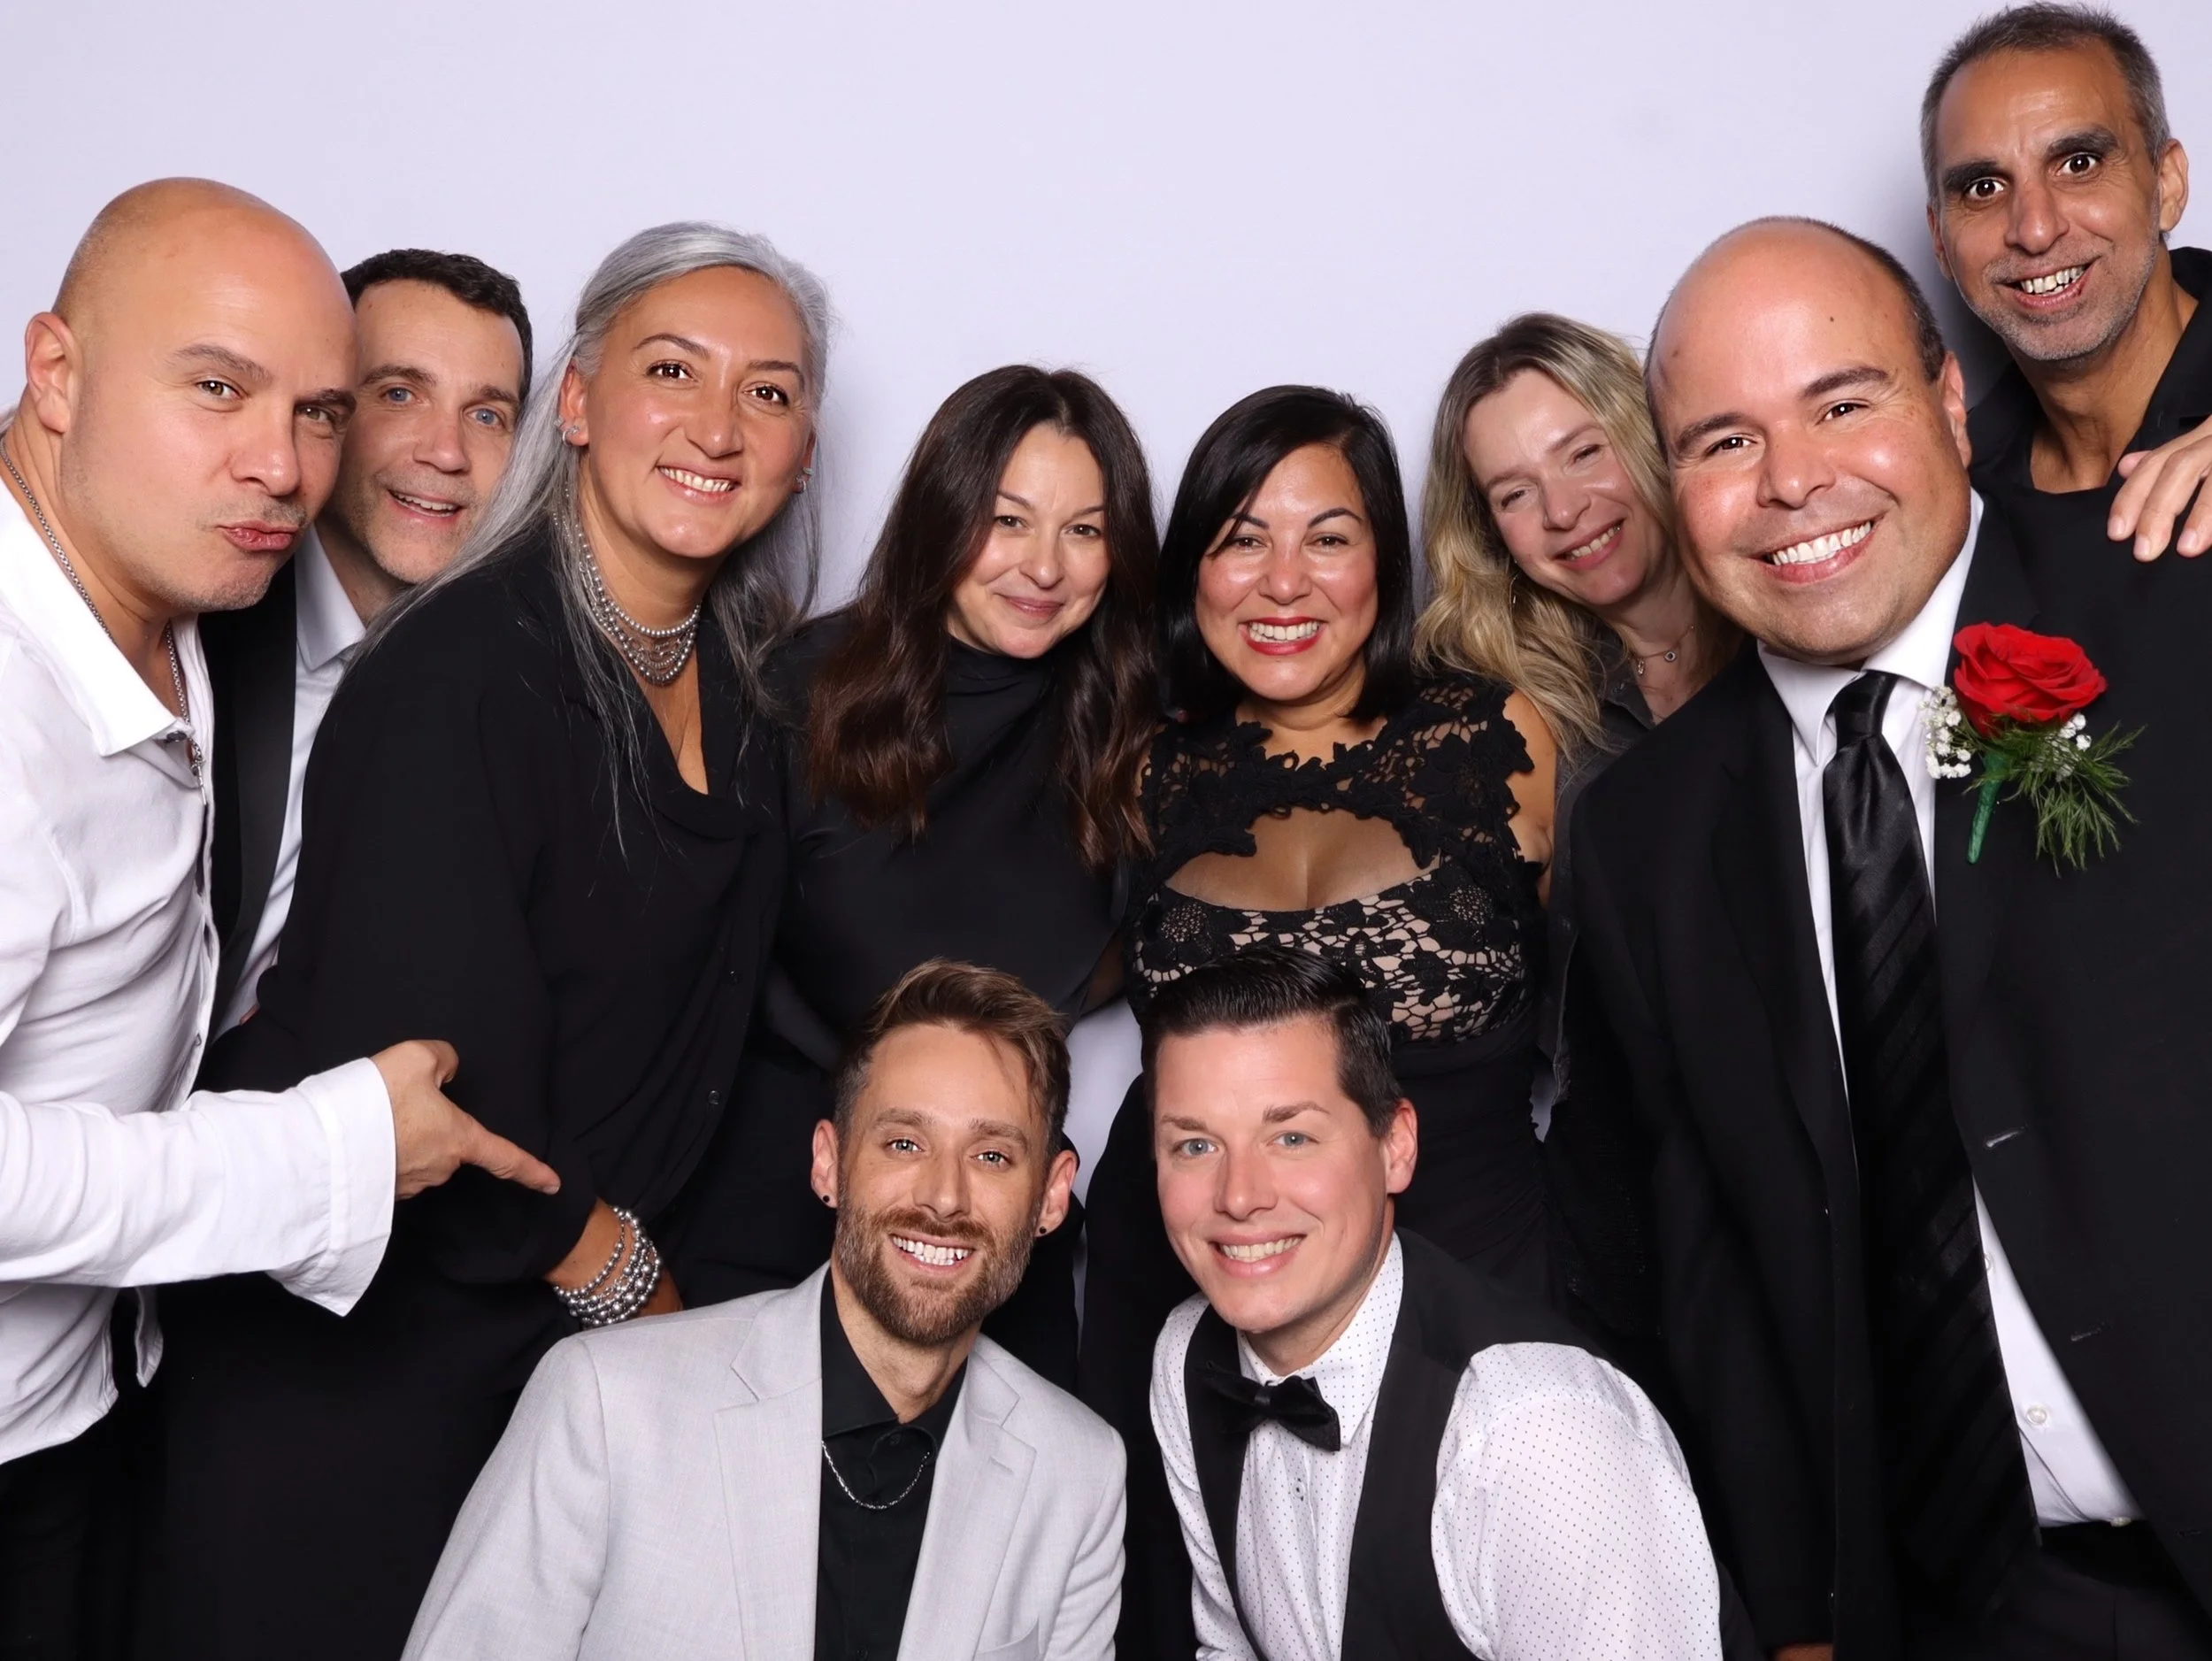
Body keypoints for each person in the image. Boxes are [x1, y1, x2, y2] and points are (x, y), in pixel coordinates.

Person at [148, 221, 829, 1661]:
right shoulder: (457, 675)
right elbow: (431, 1081)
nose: (719, 424)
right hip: (359, 1377)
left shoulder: (749, 688)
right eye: (673, 370)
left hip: (556, 1373)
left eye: (768, 391)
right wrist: (629, 1280)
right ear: (578, 403)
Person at [1551, 215, 2212, 1658]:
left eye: (1841, 403)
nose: (1793, 481)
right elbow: (1692, 1260)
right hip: (1959, 1611)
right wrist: (1795, 1600)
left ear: (1952, 404)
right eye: (1723, 441)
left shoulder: (2175, 596)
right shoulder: (1644, 838)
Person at [0, 178, 555, 1660]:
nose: (283, 464)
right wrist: (331, 1150)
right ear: (56, 374)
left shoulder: (169, 599)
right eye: (216, 389)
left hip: (94, 1401)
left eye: (313, 411)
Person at [1079, 384, 1557, 1657]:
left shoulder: (1500, 740)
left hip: (1476, 1254)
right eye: (1242, 536)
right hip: (1190, 1268)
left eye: (1328, 536)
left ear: (1386, 563)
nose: (1283, 579)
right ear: (1196, 570)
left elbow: (1649, 1025)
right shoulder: (1144, 772)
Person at [403, 959, 1125, 1661]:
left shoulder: (1077, 1475)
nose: (944, 1197)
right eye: (904, 1142)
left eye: (993, 1155)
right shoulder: (605, 1403)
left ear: (1054, 1195)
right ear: (828, 1163)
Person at [666, 364, 1156, 1386]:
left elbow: (1120, 953)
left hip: (992, 1237)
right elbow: (696, 957)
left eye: (1084, 529)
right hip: (772, 1200)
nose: (1045, 566)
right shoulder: (798, 693)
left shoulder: (1127, 736)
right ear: (943, 515)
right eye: (1008, 520)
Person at [1144, 948, 1738, 1661]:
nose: (1239, 1195)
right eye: (1196, 1144)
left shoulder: (1540, 1435)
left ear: (1395, 1145)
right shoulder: (1186, 1356)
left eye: (1292, 1136)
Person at [1416, 312, 1737, 1141]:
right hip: (1643, 1151)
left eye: (1584, 451)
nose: (1564, 510)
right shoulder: (1507, 722)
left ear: (1650, 429)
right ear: (1493, 536)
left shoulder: (1800, 619)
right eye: (1514, 494)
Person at [205, 248, 534, 1035]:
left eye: (487, 414)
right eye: (399, 393)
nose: (446, 452)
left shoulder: (506, 678)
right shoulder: (204, 617)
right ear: (327, 410)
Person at [1922, 4, 2209, 563]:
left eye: (2079, 163)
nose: (2034, 230)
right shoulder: (1953, 503)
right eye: (1983, 188)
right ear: (1940, 242)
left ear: (2168, 185)